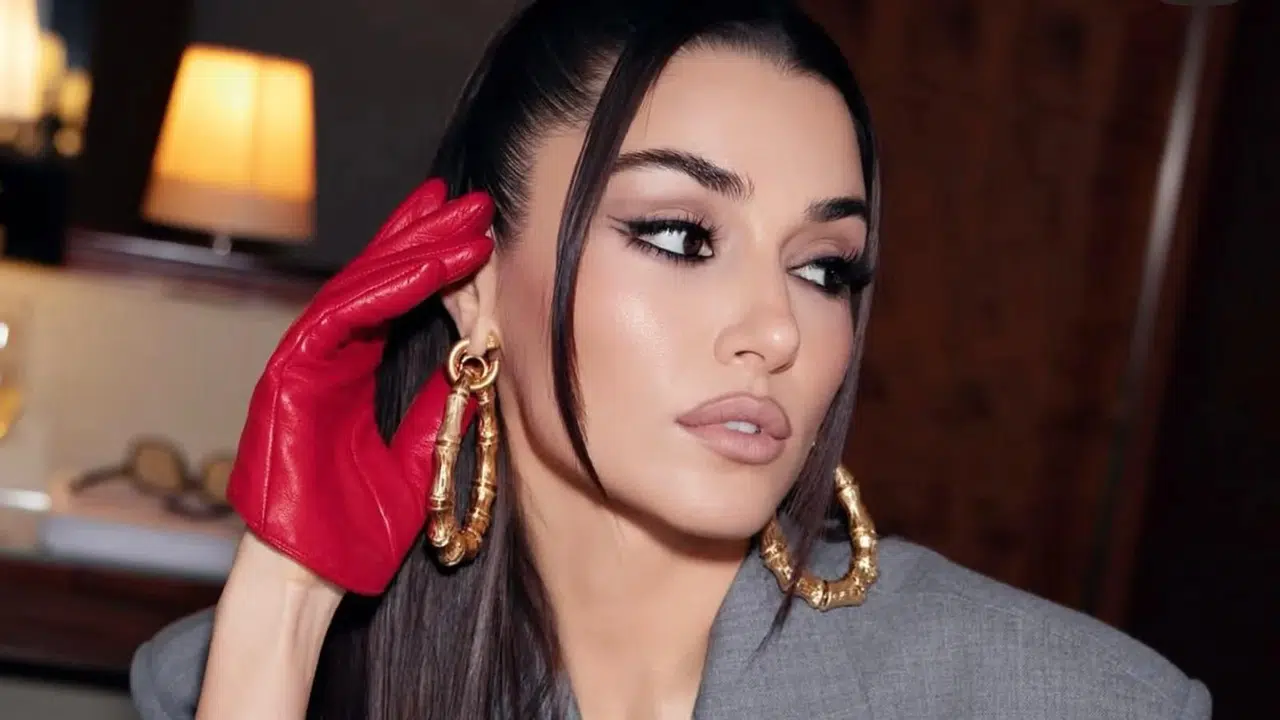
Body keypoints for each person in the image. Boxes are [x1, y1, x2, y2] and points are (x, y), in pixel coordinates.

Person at [129, 0, 1211, 718]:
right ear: (470, 280)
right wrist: (286, 598)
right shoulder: (229, 682)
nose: (777, 331)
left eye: (823, 267)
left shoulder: (1065, 701)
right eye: (682, 236)